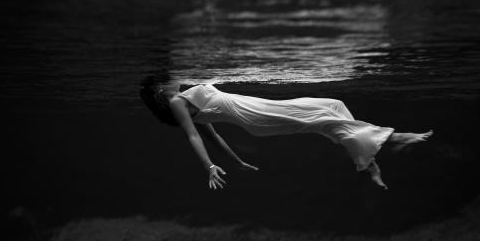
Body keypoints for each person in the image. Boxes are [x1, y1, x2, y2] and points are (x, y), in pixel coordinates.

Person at [140, 76, 433, 190]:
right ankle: (395, 139)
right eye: (166, 82)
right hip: (256, 116)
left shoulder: (185, 99)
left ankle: (367, 160)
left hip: (257, 109)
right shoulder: (179, 103)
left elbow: (214, 136)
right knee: (323, 118)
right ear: (160, 93)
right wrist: (210, 166)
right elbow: (195, 136)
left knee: (332, 105)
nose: (172, 80)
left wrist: (237, 162)